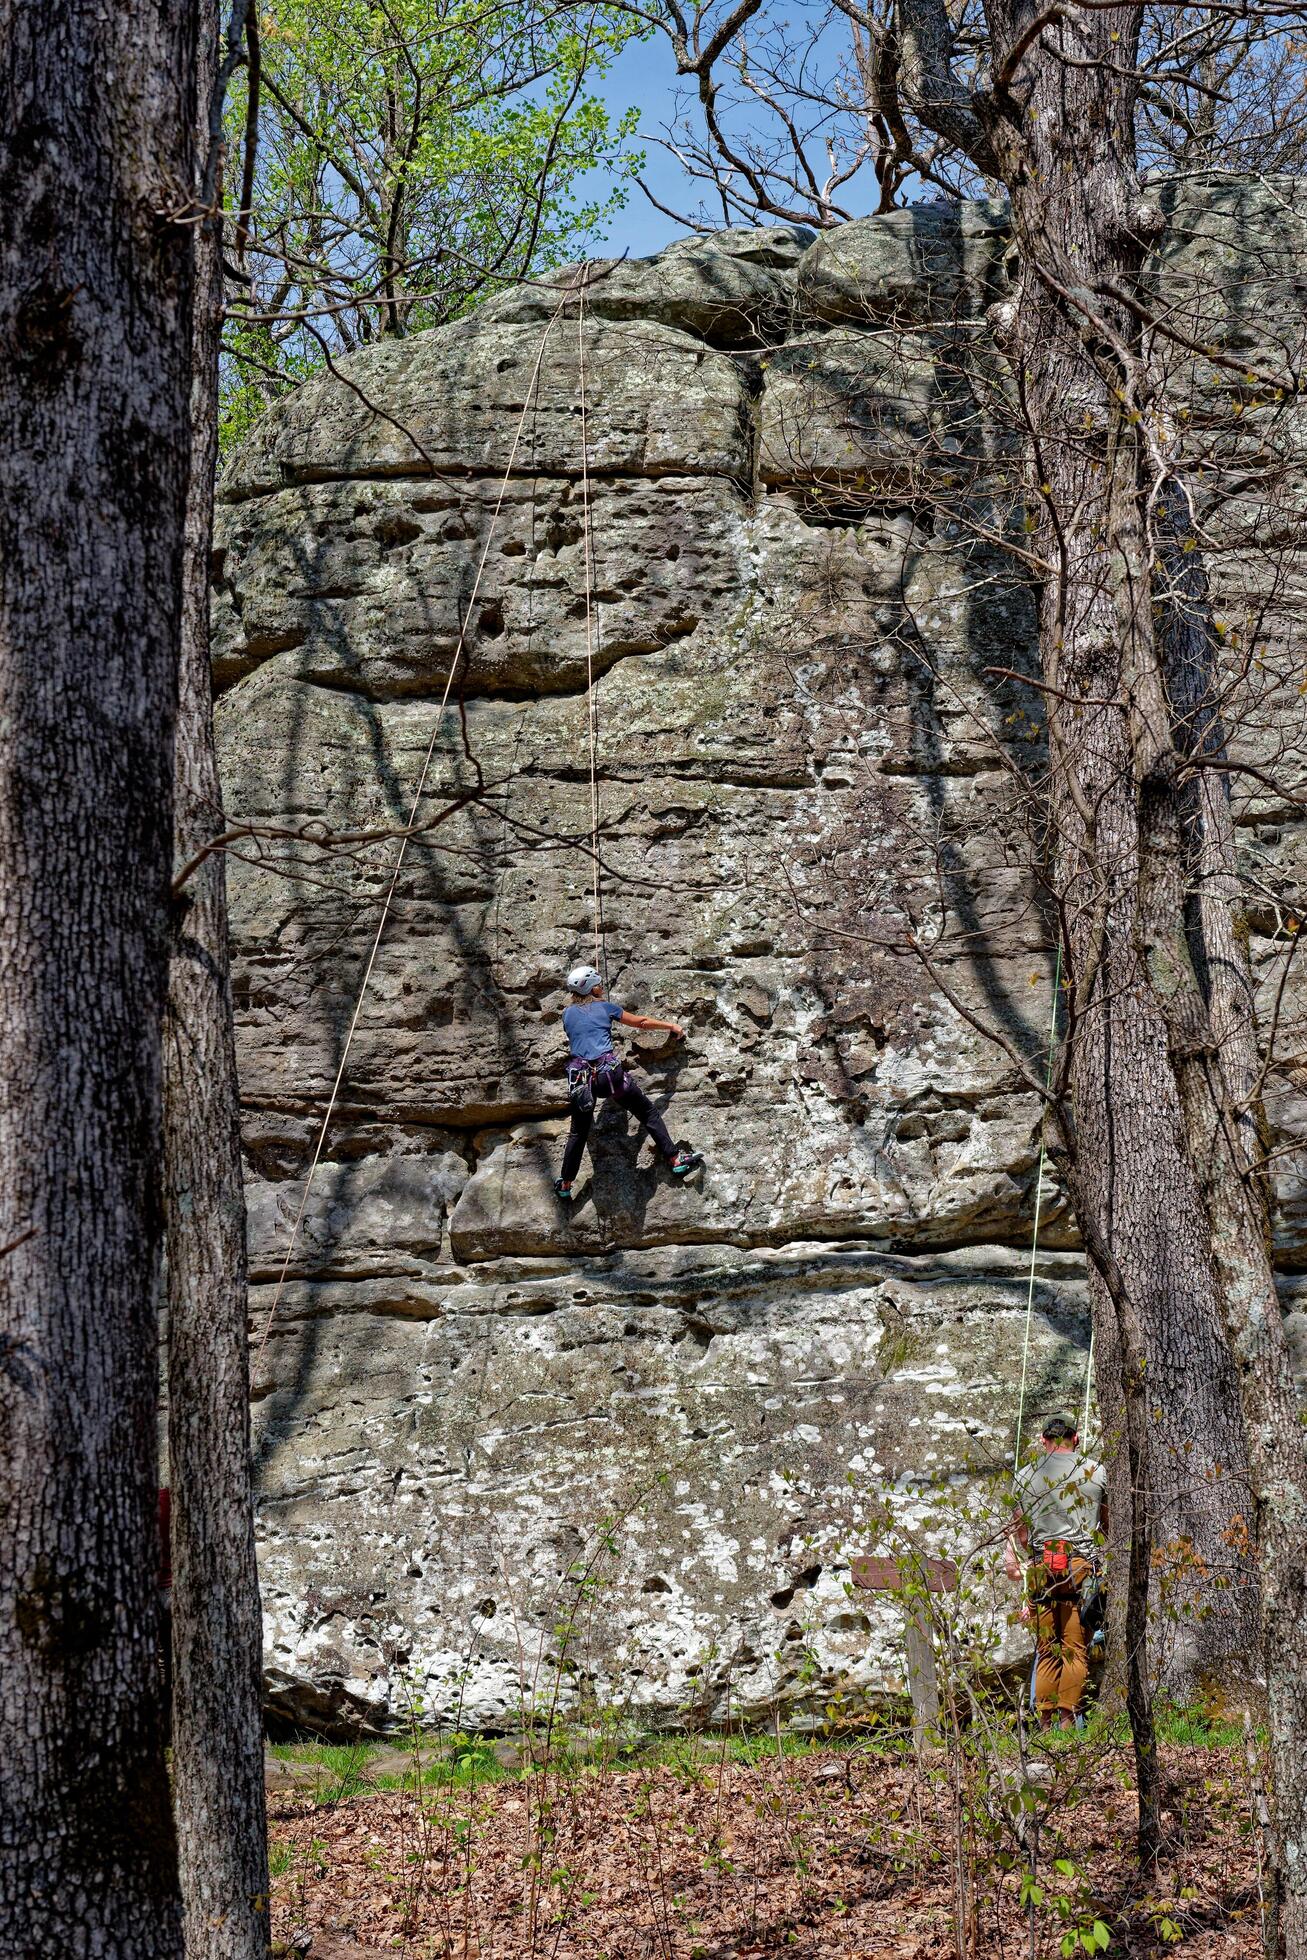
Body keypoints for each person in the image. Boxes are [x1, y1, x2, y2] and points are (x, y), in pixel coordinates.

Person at [554, 965, 702, 1198]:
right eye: (598, 984)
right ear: (592, 988)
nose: (601, 987)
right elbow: (640, 1022)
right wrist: (670, 1026)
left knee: (578, 1132)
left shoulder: (567, 1014)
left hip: (582, 1081)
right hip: (610, 1077)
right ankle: (675, 1158)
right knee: (648, 1112)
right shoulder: (606, 1007)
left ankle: (565, 1184)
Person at [1008, 1413, 1107, 1731]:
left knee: (1047, 1648)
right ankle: (1067, 1723)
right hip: (1080, 1566)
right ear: (1075, 1438)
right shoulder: (1094, 1471)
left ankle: (1045, 1725)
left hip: (1041, 1565)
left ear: (1043, 1440)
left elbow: (1020, 1534)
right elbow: (1105, 1524)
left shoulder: (1025, 1476)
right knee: (1076, 1649)